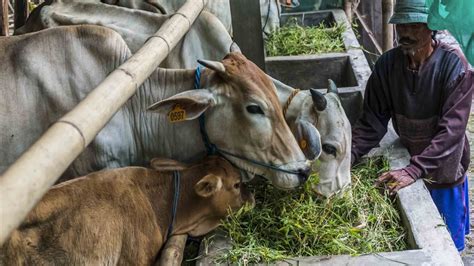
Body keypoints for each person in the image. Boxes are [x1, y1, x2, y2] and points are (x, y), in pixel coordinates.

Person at [351, 0, 473, 252]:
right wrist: (348, 154)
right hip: (410, 152)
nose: (406, 32)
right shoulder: (386, 65)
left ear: (432, 29)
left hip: (444, 165)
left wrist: (414, 170)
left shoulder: (455, 67)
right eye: (402, 25)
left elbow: (452, 132)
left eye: (416, 25)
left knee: (447, 243)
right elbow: (372, 121)